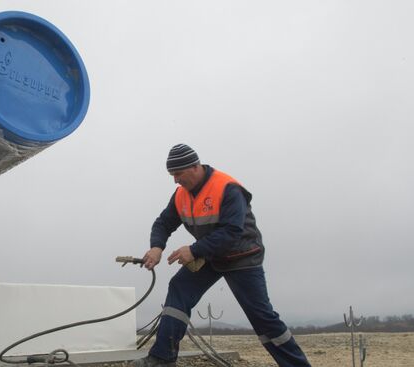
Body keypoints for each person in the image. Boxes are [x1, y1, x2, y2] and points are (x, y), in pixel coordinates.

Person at [131, 144, 311, 367]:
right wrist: (157, 246)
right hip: (211, 255)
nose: (175, 180)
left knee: (262, 318)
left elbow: (232, 232)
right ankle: (162, 358)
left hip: (242, 257)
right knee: (179, 287)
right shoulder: (181, 195)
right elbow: (163, 222)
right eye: (172, 175)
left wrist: (193, 250)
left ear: (195, 167)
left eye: (178, 174)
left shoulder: (227, 188)